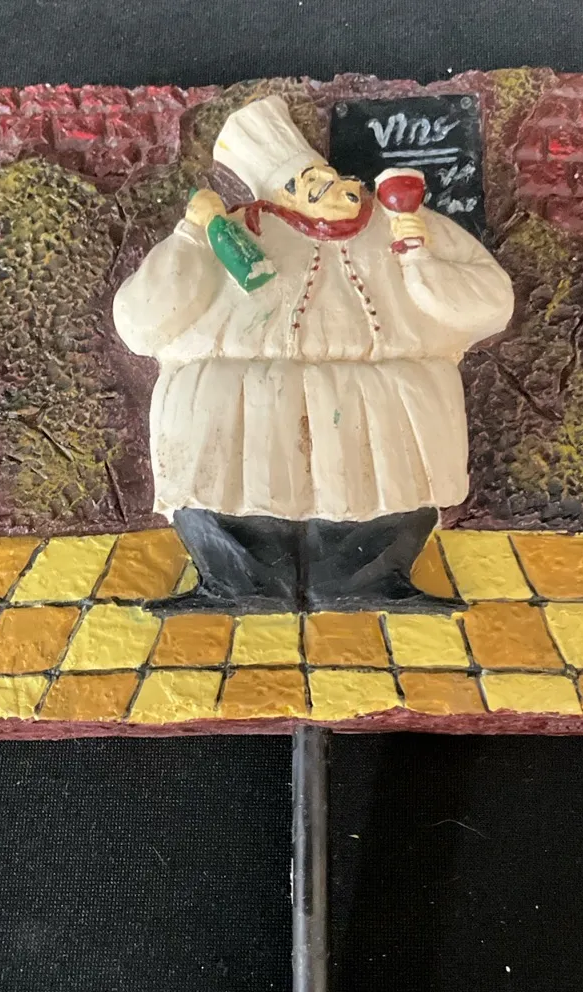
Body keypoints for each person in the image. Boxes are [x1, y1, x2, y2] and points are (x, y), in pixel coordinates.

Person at [113, 95, 513, 612]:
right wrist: (191, 235)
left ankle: (372, 581)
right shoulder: (231, 232)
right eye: (310, 186)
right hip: (237, 397)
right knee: (233, 478)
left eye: (331, 178)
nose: (336, 190)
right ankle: (237, 583)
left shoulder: (408, 221)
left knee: (386, 485)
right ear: (278, 199)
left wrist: (421, 259)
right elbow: (142, 324)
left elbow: (491, 305)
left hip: (390, 395)